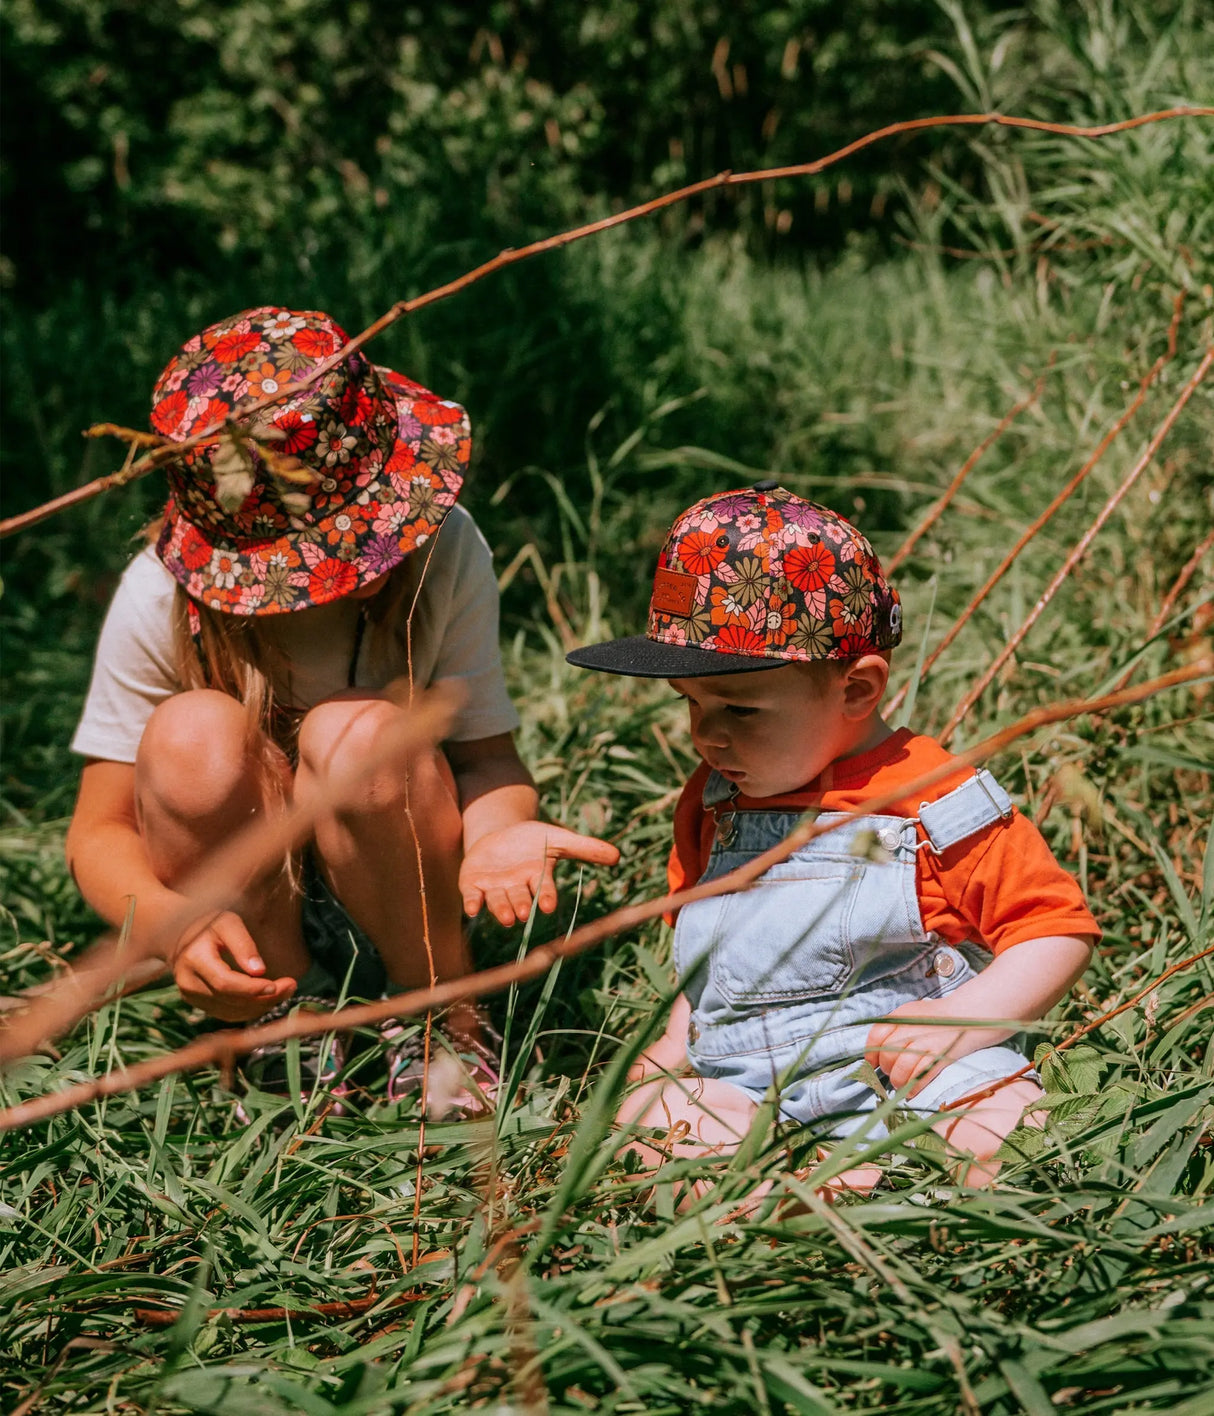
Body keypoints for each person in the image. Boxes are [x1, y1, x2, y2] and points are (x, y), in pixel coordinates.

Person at [66, 305, 619, 1111]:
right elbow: (99, 828)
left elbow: (485, 758)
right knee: (192, 734)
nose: (360, 560)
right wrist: (168, 920)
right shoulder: (163, 595)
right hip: (246, 895)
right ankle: (287, 1017)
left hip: (408, 872)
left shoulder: (442, 554)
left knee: (358, 733)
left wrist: (499, 835)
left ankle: (436, 1008)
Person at [566, 483, 1097, 1195]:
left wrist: (963, 1024)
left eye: (741, 710)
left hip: (917, 1066)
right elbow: (708, 949)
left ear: (856, 691)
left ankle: (877, 1179)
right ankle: (789, 1198)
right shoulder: (714, 798)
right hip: (747, 1079)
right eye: (690, 706)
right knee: (649, 1120)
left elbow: (1055, 930)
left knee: (1005, 1130)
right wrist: (672, 1041)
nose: (708, 735)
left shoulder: (934, 799)